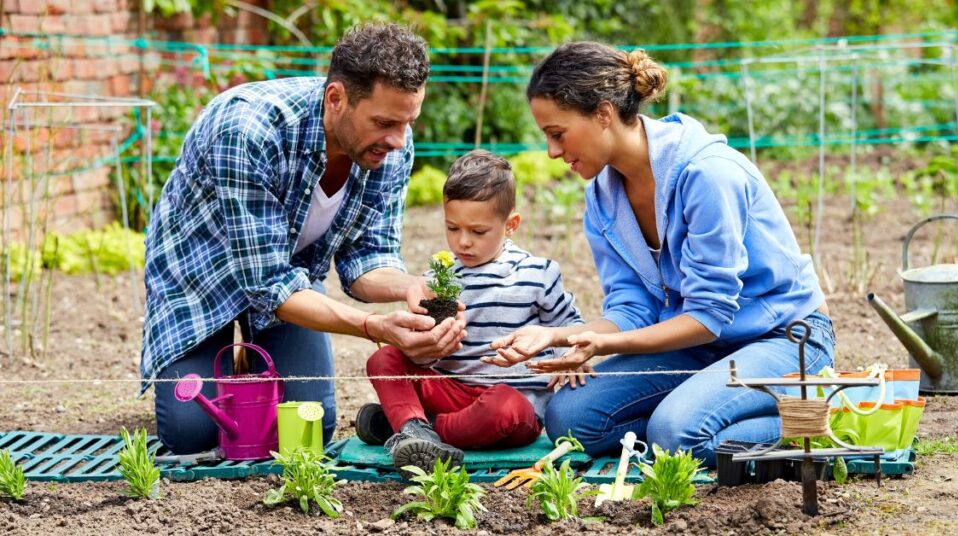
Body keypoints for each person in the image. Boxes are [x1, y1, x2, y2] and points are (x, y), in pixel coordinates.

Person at [486, 42, 835, 466]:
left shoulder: (708, 174)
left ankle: (817, 418)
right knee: (570, 419)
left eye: (557, 133)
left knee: (675, 435)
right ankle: (703, 410)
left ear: (603, 113)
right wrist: (556, 336)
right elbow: (631, 308)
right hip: (702, 346)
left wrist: (603, 344)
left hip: (784, 339)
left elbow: (708, 315)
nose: (552, 152)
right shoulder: (602, 196)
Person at [143, 24, 466, 455]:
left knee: (312, 424)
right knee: (193, 433)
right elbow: (266, 284)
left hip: (288, 277)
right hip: (201, 280)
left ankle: (256, 357)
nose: (398, 139)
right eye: (385, 122)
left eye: (408, 122)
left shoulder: (389, 146)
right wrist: (374, 327)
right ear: (336, 99)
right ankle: (234, 358)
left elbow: (368, 257)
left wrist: (411, 287)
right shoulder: (247, 131)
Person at [355, 150, 587, 477]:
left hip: (511, 402)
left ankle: (411, 428)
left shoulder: (538, 273)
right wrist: (423, 346)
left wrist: (572, 354)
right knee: (384, 360)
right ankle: (413, 429)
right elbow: (422, 350)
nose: (463, 242)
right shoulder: (439, 281)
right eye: (453, 228)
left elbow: (571, 325)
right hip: (451, 390)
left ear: (511, 225)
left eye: (478, 232)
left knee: (503, 406)